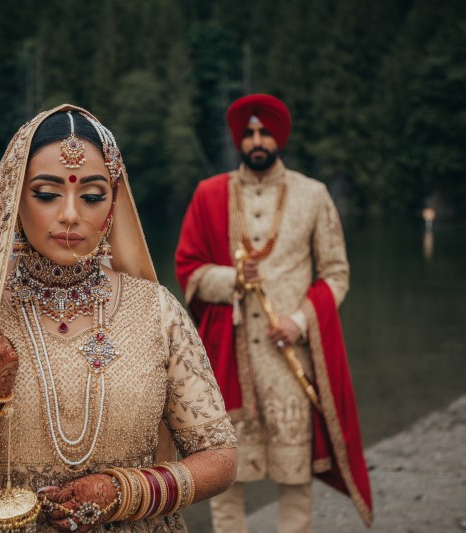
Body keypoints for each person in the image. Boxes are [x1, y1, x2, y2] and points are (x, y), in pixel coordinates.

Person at [0, 105, 238, 533]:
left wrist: (123, 493)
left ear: (113, 201)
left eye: (92, 196)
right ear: (12, 197)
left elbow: (220, 457)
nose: (70, 214)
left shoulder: (156, 311)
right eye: (46, 194)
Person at [175, 94, 372, 532]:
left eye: (265, 132)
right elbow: (187, 269)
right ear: (238, 140)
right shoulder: (210, 194)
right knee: (225, 479)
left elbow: (337, 274)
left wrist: (300, 321)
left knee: (294, 477)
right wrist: (231, 279)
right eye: (248, 133)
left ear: (279, 136)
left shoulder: (313, 195)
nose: (257, 140)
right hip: (230, 359)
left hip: (290, 360)